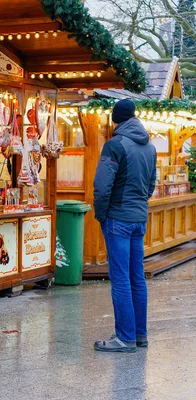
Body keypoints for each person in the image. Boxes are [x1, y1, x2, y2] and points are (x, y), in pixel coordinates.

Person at [93, 99, 157, 353]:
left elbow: (102, 186)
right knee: (136, 277)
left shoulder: (115, 145)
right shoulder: (150, 147)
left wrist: (102, 215)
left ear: (115, 119)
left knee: (120, 279)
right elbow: (151, 184)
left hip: (117, 218)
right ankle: (139, 335)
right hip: (138, 218)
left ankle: (124, 338)